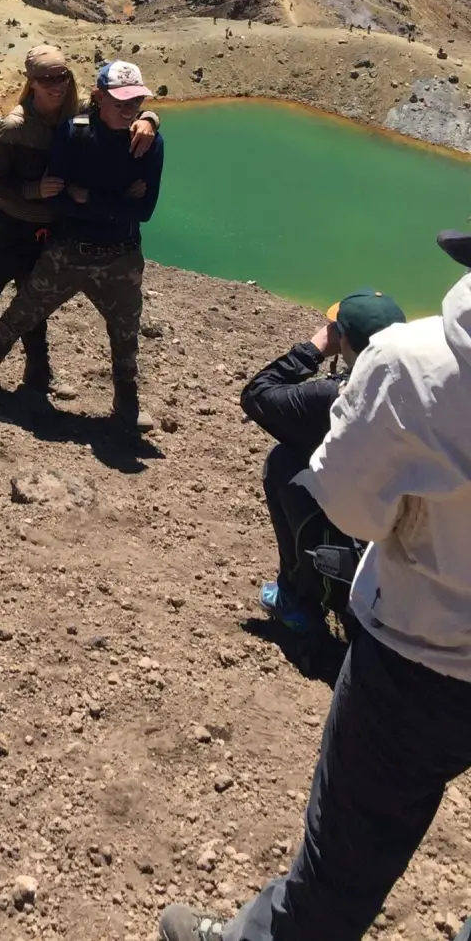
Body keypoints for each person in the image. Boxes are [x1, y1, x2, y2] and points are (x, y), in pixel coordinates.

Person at [160, 231, 471, 941]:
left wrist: (313, 346)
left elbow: (352, 503)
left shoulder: (410, 369)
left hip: (420, 661)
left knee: (343, 866)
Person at [0, 46, 159, 398]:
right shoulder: (14, 126)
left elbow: (121, 108)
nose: (56, 84)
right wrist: (33, 189)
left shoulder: (76, 114)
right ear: (31, 82)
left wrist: (150, 118)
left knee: (34, 302)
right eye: (46, 78)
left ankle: (39, 373)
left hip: (51, 231)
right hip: (11, 227)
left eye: (62, 76)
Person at [241, 290, 404, 636]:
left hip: (359, 552)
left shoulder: (336, 398)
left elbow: (257, 394)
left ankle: (297, 598)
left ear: (343, 338)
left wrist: (314, 348)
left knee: (284, 462)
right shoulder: (429, 392)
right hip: (413, 556)